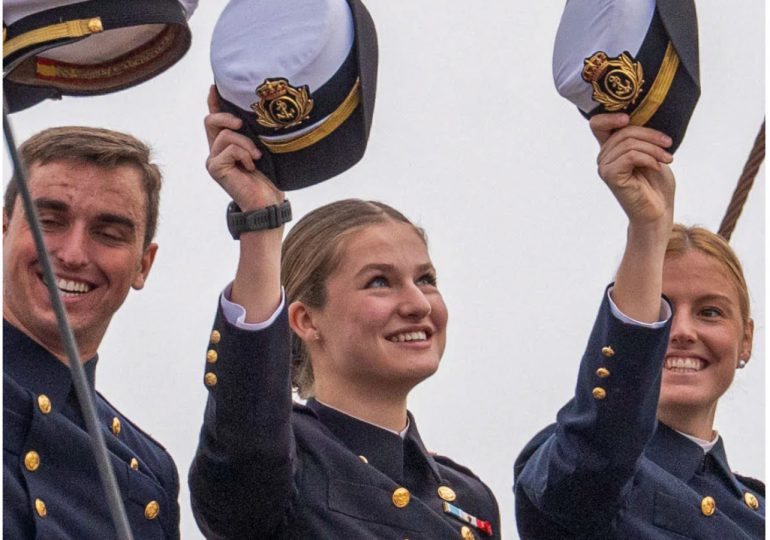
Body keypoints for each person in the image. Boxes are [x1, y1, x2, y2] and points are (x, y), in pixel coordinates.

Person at [188, 88, 501, 539]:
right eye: (379, 281)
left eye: (426, 279)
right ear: (305, 321)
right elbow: (247, 425)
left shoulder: (469, 496)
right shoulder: (282, 460)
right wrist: (261, 223)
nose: (416, 304)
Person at [514, 113, 765, 539]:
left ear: (746, 341)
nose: (682, 330)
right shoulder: (577, 465)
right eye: (662, 309)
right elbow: (597, 450)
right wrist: (647, 230)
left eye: (710, 312)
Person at [3, 126, 180, 539]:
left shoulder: (149, 469)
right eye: (48, 221)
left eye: (109, 234)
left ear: (143, 265)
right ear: (5, 227)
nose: (72, 254)